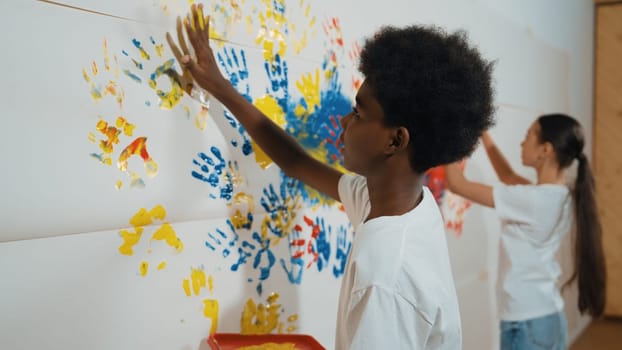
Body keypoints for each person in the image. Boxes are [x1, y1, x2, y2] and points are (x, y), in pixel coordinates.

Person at [168, 4, 495, 349]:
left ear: (395, 140)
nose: (343, 122)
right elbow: (296, 162)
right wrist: (221, 88)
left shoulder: (385, 277)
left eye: (358, 112)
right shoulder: (404, 203)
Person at [445, 115, 607, 350]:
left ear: (545, 150)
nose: (522, 143)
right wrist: (484, 135)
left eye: (527, 136)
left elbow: (458, 185)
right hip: (548, 316)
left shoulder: (533, 200)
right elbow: (508, 177)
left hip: (525, 323)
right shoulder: (557, 196)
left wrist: (447, 135)